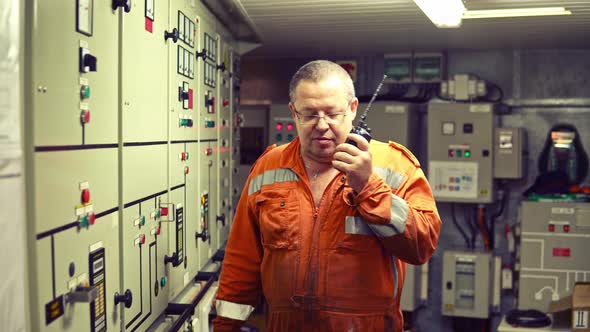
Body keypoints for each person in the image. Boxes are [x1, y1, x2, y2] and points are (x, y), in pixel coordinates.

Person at [213, 60, 442, 331]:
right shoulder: (269, 166)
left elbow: (422, 246)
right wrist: (225, 325)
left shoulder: (395, 165)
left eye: (332, 113)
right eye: (309, 114)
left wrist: (368, 187)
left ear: (353, 109)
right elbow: (242, 258)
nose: (321, 125)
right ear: (293, 113)